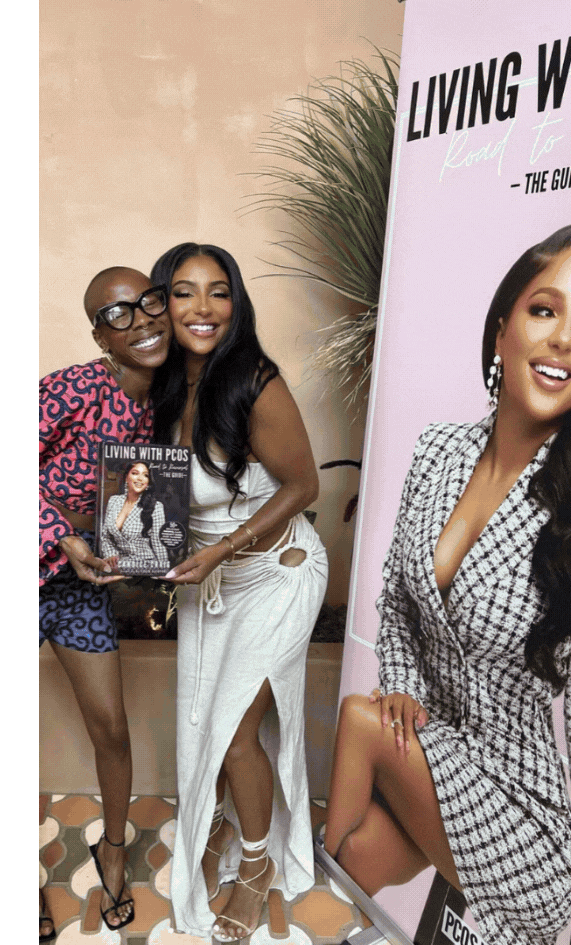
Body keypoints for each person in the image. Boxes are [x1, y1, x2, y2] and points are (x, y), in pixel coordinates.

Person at [322, 227, 571, 945]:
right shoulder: (438, 450)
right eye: (545, 310)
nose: (562, 340)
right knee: (358, 854)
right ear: (502, 330)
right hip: (432, 750)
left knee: (361, 721)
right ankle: (318, 901)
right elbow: (399, 600)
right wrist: (402, 684)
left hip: (525, 812)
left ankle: (306, 898)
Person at [150, 243, 326, 940]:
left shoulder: (254, 380)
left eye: (218, 291)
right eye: (183, 292)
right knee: (207, 721)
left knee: (235, 733)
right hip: (212, 580)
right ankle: (223, 822)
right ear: (160, 304)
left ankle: (257, 866)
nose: (203, 308)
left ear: (236, 302)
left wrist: (221, 549)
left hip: (278, 573)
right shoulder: (164, 386)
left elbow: (305, 486)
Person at [37, 267, 171, 934]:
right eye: (118, 314)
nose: (140, 319)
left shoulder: (174, 402)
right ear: (100, 336)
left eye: (149, 302)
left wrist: (142, 556)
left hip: (77, 583)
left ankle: (112, 850)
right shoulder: (75, 387)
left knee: (111, 728)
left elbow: (152, 507)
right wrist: (58, 530)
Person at [100, 461, 170, 573]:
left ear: (148, 482)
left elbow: (158, 544)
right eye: (135, 473)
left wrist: (163, 571)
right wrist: (111, 555)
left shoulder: (156, 507)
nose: (140, 478)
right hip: (117, 565)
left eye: (145, 475)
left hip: (145, 565)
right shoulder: (114, 501)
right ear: (126, 478)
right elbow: (105, 536)